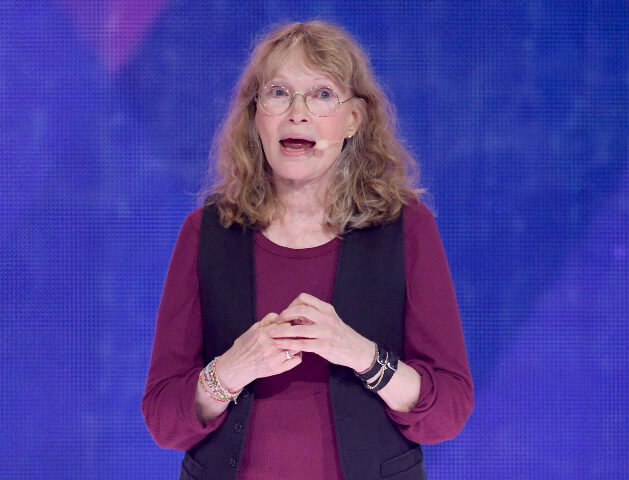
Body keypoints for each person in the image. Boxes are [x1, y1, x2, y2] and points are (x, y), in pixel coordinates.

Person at [142, 20, 473, 480]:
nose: (297, 113)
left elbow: (448, 411)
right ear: (255, 115)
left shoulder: (406, 229)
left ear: (353, 119)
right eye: (278, 93)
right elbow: (163, 418)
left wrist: (361, 355)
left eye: (321, 95)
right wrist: (232, 370)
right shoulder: (207, 233)